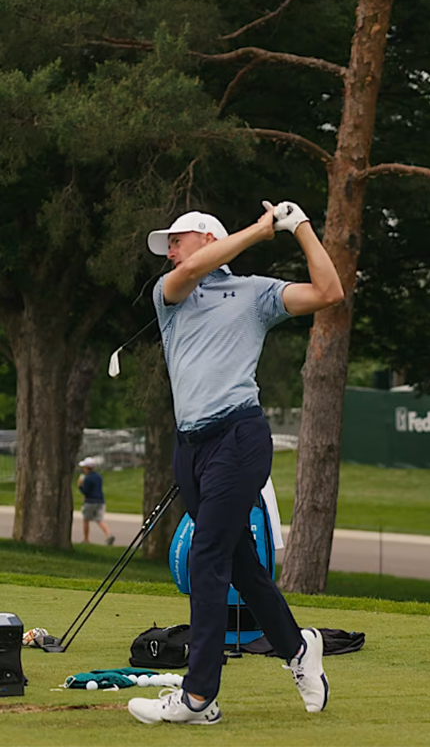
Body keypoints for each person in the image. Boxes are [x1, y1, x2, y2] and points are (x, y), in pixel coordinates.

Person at [127, 201, 343, 725]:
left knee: (207, 559)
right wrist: (261, 228)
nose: (170, 251)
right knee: (240, 564)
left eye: (177, 240)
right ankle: (298, 649)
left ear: (206, 237)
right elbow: (194, 270)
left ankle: (198, 696)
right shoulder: (170, 292)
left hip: (239, 436)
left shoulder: (255, 293)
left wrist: (301, 230)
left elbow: (329, 292)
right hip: (190, 449)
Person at [76, 457, 114, 546]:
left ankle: (86, 539)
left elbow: (85, 491)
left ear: (87, 468)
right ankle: (108, 535)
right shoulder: (98, 477)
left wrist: (80, 486)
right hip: (100, 501)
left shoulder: (88, 479)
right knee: (100, 519)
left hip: (90, 501)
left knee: (86, 519)